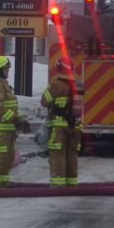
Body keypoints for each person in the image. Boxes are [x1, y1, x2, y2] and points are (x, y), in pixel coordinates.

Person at [0, 55, 27, 187]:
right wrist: (14, 119)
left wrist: (20, 120)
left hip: (6, 129)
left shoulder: (3, 84)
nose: (8, 71)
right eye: (6, 69)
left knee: (8, 157)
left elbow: (10, 106)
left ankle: (2, 181)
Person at [41, 58, 82, 187]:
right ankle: (71, 183)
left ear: (60, 68)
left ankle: (58, 184)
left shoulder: (56, 84)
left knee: (58, 154)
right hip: (75, 126)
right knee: (72, 154)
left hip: (59, 127)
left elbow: (44, 101)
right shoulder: (79, 84)